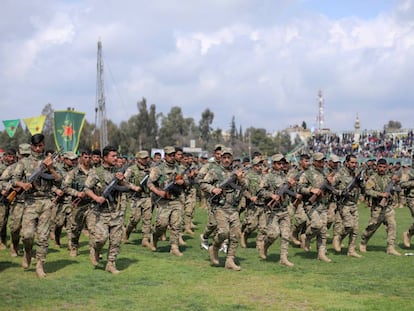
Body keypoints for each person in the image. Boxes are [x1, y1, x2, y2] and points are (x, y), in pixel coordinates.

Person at [12, 134, 62, 278]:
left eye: (40, 146)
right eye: (35, 146)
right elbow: (14, 180)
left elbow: (59, 180)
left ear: (44, 145)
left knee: (43, 236)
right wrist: (23, 184)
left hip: (46, 201)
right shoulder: (24, 162)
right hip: (30, 202)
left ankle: (40, 264)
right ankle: (28, 252)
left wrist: (51, 168)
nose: (38, 148)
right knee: (27, 235)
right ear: (31, 145)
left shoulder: (50, 161)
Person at [84, 145, 140, 274]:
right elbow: (86, 188)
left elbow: (123, 185)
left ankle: (111, 264)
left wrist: (127, 184)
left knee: (116, 240)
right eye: (113, 156)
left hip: (116, 210)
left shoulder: (118, 171)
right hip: (101, 212)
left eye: (117, 156)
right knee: (101, 238)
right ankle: (95, 249)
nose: (116, 158)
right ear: (105, 158)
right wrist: (96, 198)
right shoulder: (96, 172)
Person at [200, 148, 246, 271]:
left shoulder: (236, 172)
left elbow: (244, 186)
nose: (226, 160)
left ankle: (229, 260)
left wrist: (240, 179)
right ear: (221, 158)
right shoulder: (214, 171)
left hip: (233, 207)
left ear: (232, 159)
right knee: (223, 232)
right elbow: (203, 183)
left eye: (228, 157)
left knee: (236, 234)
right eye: (224, 157)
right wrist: (213, 189)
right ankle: (214, 248)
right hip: (220, 207)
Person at [146, 146, 187, 256]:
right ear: (166, 156)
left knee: (176, 224)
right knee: (162, 224)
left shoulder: (180, 169)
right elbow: (149, 183)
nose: (172, 157)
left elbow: (187, 183)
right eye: (170, 155)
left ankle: (174, 247)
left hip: (176, 200)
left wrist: (182, 182)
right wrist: (158, 192)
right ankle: (154, 238)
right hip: (163, 200)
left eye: (174, 155)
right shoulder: (158, 169)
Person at [260, 154, 299, 267]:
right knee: (273, 234)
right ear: (273, 164)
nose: (281, 166)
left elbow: (292, 193)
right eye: (278, 163)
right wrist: (271, 195)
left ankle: (284, 258)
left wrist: (292, 186)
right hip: (272, 211)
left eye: (283, 163)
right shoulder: (267, 177)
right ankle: (265, 246)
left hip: (284, 210)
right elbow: (260, 192)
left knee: (286, 235)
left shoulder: (286, 177)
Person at [359, 158, 401, 256]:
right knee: (372, 227)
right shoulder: (373, 178)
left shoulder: (389, 178)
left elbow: (398, 188)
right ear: (377, 167)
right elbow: (368, 191)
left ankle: (391, 247)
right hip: (377, 207)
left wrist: (395, 185)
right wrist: (381, 195)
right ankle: (363, 242)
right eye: (380, 167)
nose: (382, 169)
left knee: (392, 225)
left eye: (384, 167)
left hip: (388, 207)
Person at [298, 152, 332, 263]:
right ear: (314, 162)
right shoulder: (307, 173)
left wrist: (331, 184)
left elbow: (329, 188)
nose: (322, 163)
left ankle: (321, 254)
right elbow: (300, 188)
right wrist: (311, 190)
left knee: (323, 230)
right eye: (319, 161)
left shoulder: (326, 173)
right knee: (317, 225)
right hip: (311, 205)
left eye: (323, 161)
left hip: (323, 204)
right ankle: (306, 237)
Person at [331, 154, 363, 258]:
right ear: (346, 163)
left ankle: (351, 250)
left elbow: (364, 189)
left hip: (354, 204)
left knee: (355, 229)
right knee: (349, 225)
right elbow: (331, 188)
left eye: (355, 163)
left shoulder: (356, 174)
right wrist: (340, 193)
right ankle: (338, 238)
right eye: (352, 162)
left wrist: (361, 182)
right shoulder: (340, 173)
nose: (354, 165)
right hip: (344, 204)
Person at [62, 149, 92, 257]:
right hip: (78, 204)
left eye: (89, 157)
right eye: (85, 157)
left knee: (93, 228)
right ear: (81, 158)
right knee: (75, 228)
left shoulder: (94, 171)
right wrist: (76, 193)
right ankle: (74, 246)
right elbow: (65, 187)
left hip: (92, 204)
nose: (88, 160)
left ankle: (94, 251)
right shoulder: (73, 173)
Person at [123, 150, 154, 250]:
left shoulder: (150, 169)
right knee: (135, 219)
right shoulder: (131, 169)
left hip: (147, 197)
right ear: (138, 159)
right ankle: (127, 232)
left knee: (147, 219)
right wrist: (133, 187)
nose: (146, 160)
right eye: (144, 158)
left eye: (147, 158)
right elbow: (123, 181)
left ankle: (145, 239)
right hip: (135, 197)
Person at [240, 156, 265, 250]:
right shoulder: (248, 176)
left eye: (261, 165)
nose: (260, 167)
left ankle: (259, 245)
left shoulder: (263, 176)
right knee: (252, 225)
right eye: (258, 165)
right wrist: (250, 197)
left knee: (263, 227)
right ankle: (244, 235)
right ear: (254, 166)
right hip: (252, 204)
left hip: (263, 204)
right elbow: (244, 189)